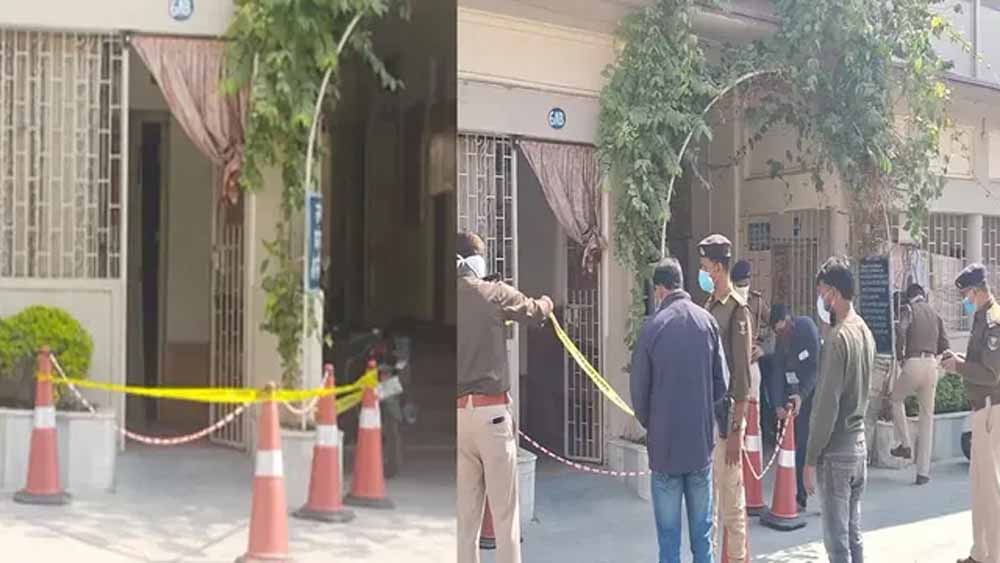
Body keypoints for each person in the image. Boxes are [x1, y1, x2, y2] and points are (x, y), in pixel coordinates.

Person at [456, 231, 554, 563]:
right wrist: (547, 303)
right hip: (491, 416)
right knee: (504, 516)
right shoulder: (493, 293)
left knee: (465, 522)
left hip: (457, 419)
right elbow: (533, 311)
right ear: (477, 261)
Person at [630, 257, 729, 563]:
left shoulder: (652, 328)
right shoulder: (707, 322)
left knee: (669, 540)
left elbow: (639, 394)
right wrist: (700, 407)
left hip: (665, 450)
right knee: (702, 538)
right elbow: (722, 383)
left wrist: (654, 423)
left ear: (659, 290)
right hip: (699, 447)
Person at [804, 256, 875, 563]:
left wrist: (810, 459)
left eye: (822, 293)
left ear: (833, 293)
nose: (821, 300)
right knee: (853, 535)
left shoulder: (838, 338)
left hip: (836, 453)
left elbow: (825, 406)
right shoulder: (864, 331)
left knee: (837, 544)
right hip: (858, 447)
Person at [941, 263, 1000, 563]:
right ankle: (980, 552)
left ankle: (994, 555)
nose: (964, 300)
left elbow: (992, 374)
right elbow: (979, 361)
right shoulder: (980, 317)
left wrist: (959, 367)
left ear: (977, 291)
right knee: (979, 486)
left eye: (965, 295)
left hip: (992, 410)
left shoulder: (993, 321)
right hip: (981, 411)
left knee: (991, 489)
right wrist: (959, 360)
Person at [698, 234, 751, 563]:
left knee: (731, 505)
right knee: (709, 506)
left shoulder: (737, 310)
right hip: (709, 418)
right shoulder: (708, 307)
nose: (702, 272)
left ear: (717, 268)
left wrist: (735, 432)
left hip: (727, 418)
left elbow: (742, 378)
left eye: (705, 265)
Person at [890, 283, 949, 485]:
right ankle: (923, 473)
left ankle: (905, 444)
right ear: (923, 295)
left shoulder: (908, 309)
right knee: (927, 418)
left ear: (909, 297)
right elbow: (945, 344)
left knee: (895, 399)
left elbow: (901, 331)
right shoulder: (935, 313)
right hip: (932, 365)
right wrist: (936, 361)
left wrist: (900, 357)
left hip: (913, 362)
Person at [767, 303, 821, 512]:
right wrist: (777, 404)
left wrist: (802, 395)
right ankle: (800, 496)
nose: (780, 334)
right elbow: (777, 371)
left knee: (807, 444)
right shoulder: (781, 341)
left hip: (813, 392)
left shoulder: (806, 328)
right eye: (777, 332)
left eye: (782, 329)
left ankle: (811, 492)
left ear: (789, 320)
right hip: (794, 391)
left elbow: (815, 369)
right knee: (797, 443)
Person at [731, 259, 771, 411]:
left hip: (751, 360)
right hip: (731, 361)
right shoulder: (726, 302)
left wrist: (763, 348)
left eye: (745, 284)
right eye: (739, 285)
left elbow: (775, 325)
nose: (742, 288)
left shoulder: (756, 301)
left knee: (753, 407)